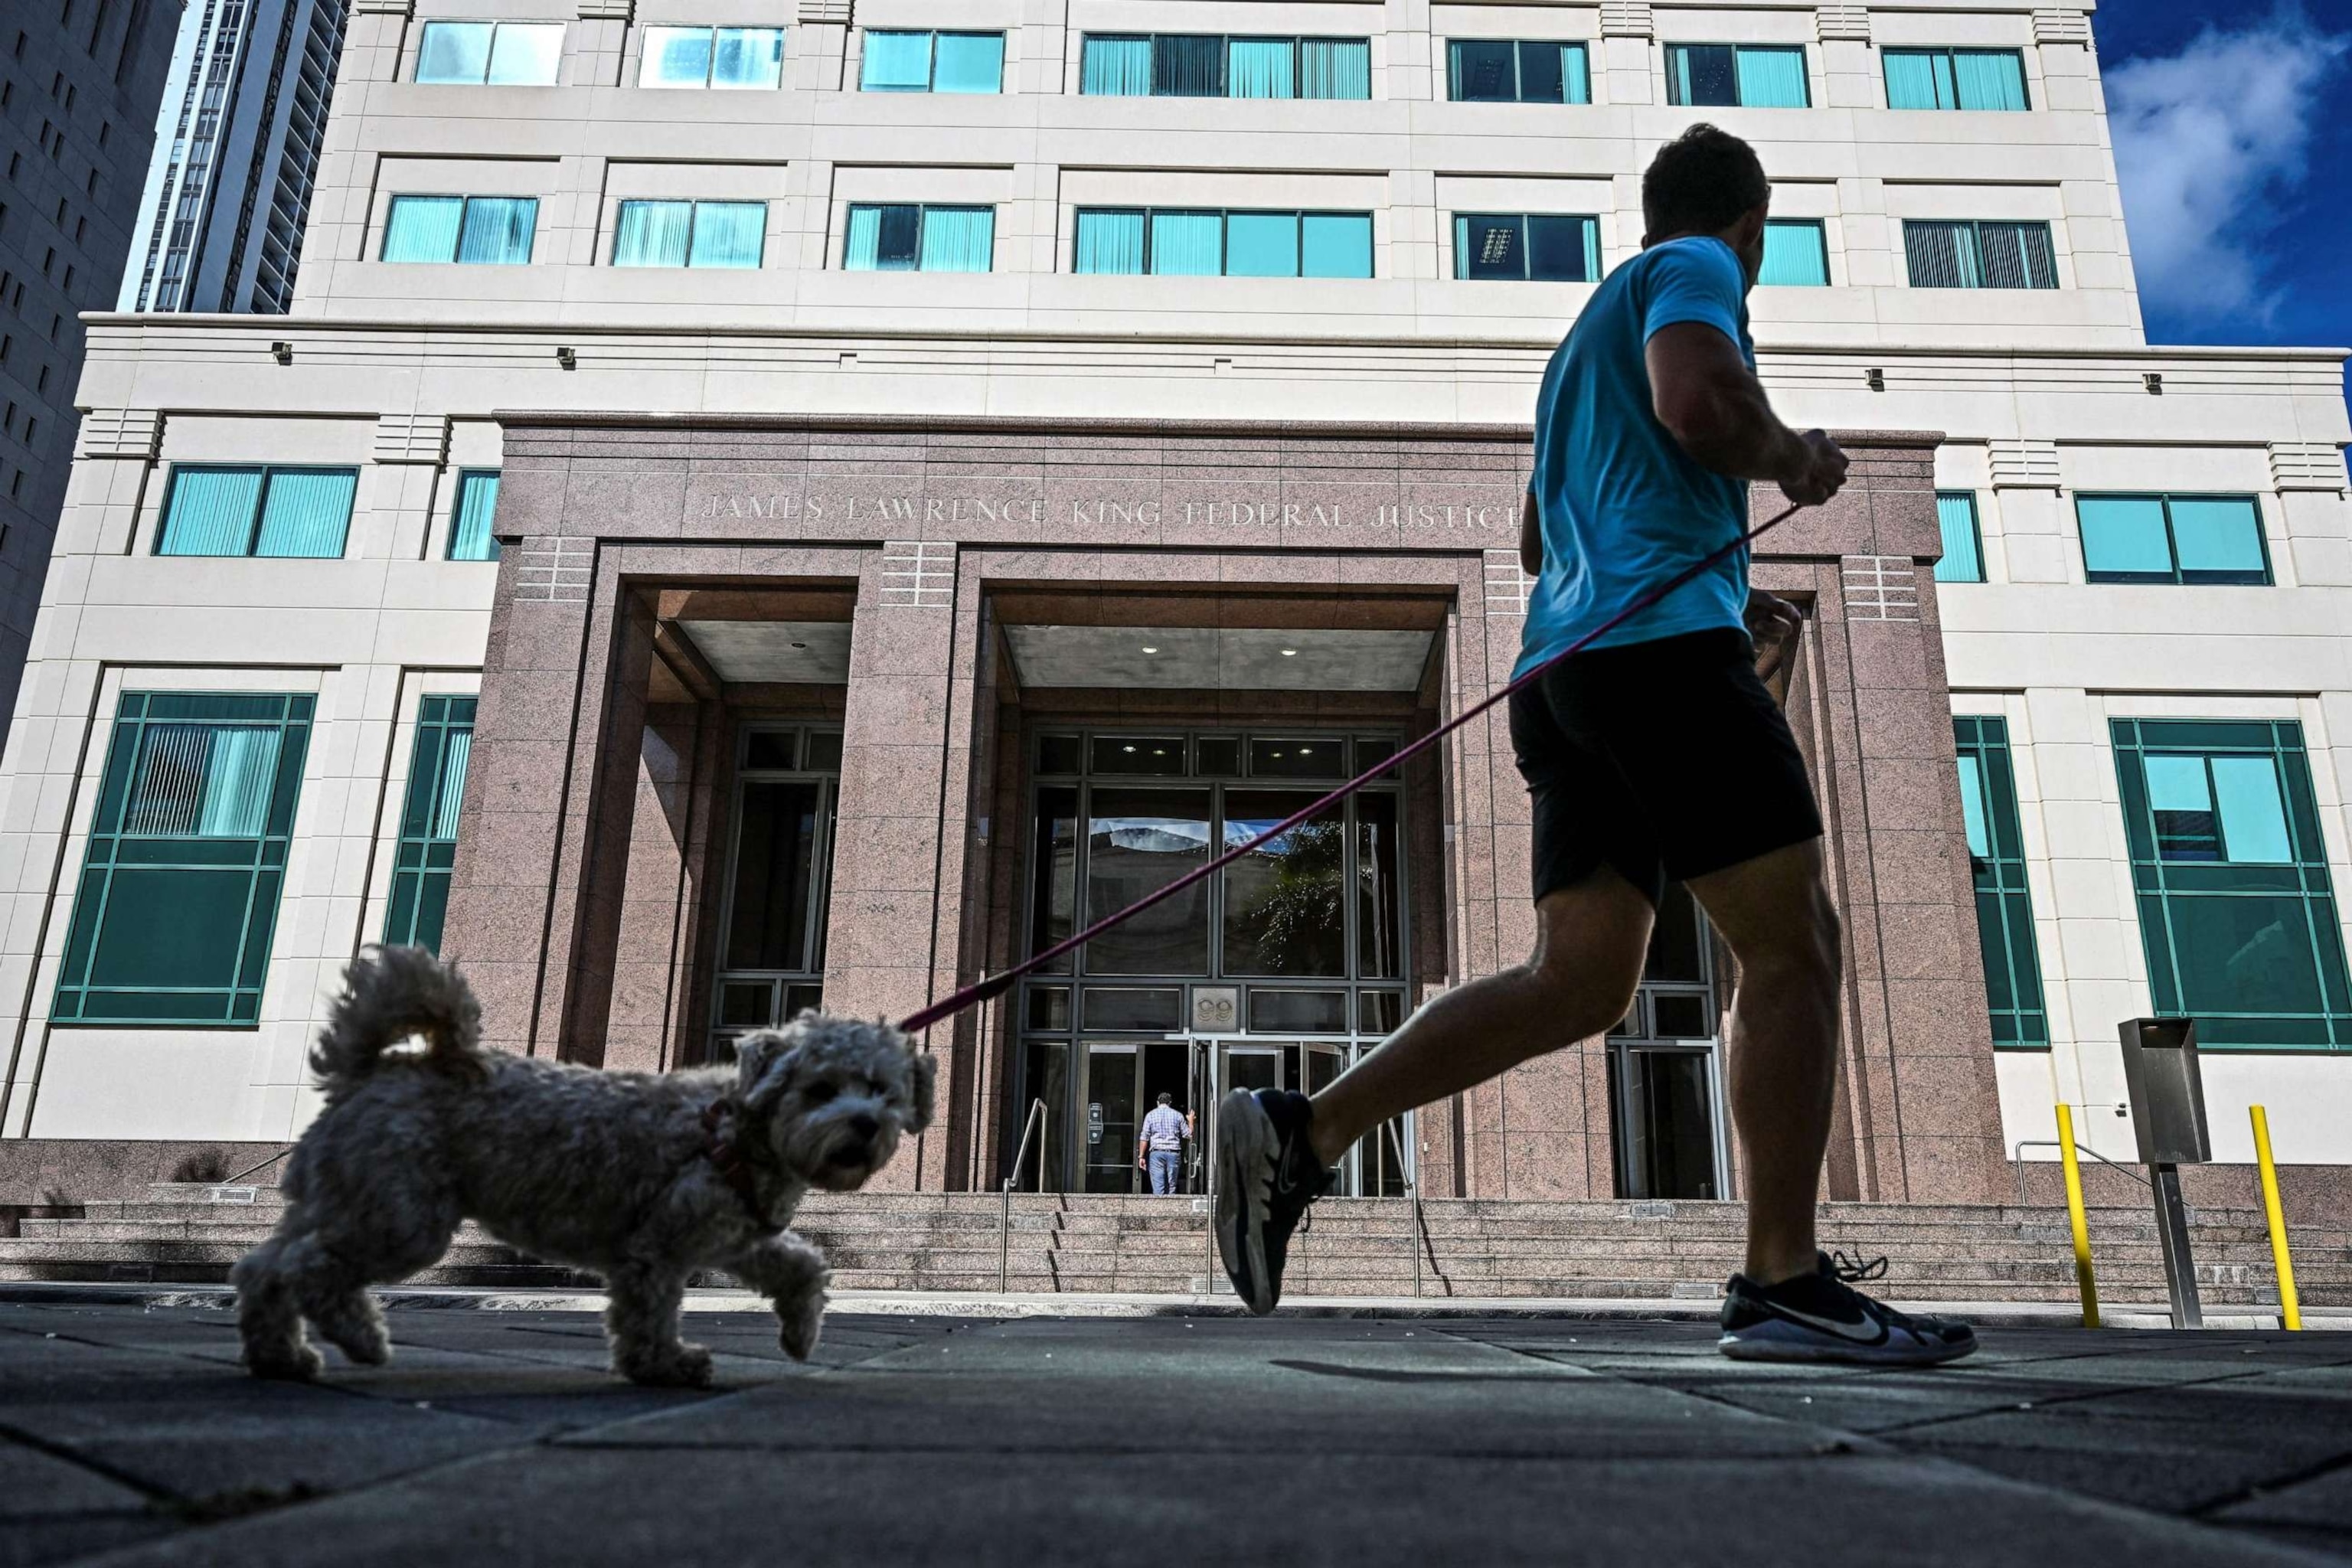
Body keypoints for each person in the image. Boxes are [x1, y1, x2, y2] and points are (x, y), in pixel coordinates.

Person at [1214, 124, 1976, 1367]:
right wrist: (1793, 455)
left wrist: (1719, 585)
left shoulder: (1577, 346)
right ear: (1750, 228)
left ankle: (1305, 1131)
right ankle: (1783, 1279)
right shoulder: (1695, 269)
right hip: (1656, 657)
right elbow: (1694, 401)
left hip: (1564, 671)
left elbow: (1534, 536)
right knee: (1794, 945)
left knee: (1578, 980)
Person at [1138, 1093, 1192, 1195]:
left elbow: (1144, 1137)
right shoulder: (1178, 1115)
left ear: (1158, 1102)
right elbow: (1188, 1135)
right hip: (1173, 1152)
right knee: (1172, 1186)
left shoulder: (1150, 1115)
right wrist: (1191, 1122)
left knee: (1158, 1187)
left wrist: (1141, 1156)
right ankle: (1170, 1208)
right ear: (1170, 1103)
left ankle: (1160, 1208)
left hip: (1157, 1152)